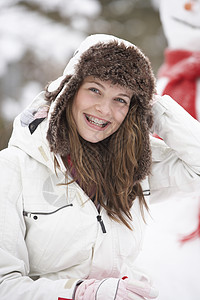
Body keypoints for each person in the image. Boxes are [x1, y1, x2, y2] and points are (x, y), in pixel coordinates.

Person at [0, 33, 200, 300]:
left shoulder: (133, 166)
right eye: (95, 89)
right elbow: (4, 285)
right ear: (69, 91)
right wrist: (84, 294)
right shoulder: (12, 169)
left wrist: (154, 106)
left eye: (121, 99)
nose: (105, 110)